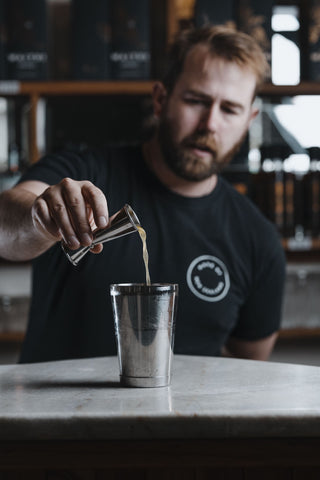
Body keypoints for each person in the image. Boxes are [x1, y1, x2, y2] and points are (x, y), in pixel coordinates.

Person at [0, 25, 286, 363]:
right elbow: (7, 224)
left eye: (230, 109)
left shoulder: (258, 239)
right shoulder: (82, 172)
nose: (210, 124)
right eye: (197, 101)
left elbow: (249, 369)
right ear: (161, 100)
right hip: (57, 415)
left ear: (249, 119)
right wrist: (40, 216)